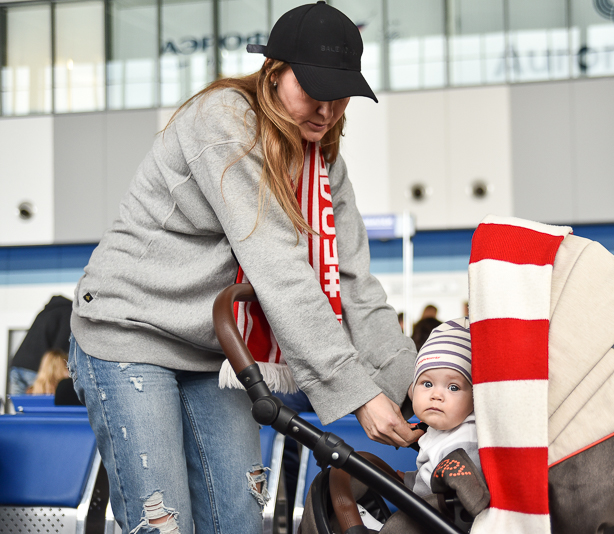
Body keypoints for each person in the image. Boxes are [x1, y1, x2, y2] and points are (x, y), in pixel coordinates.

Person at [67, 3, 420, 533]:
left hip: (215, 352)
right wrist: (359, 394)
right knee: (165, 523)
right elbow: (279, 269)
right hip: (131, 331)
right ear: (273, 72)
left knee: (240, 522)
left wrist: (416, 387)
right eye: (314, 90)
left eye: (341, 95)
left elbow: (356, 287)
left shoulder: (324, 164)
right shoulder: (227, 123)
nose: (326, 111)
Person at [404, 318, 481, 497]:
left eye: (453, 387)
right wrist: (409, 479)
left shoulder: (464, 444)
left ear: (474, 397)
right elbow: (430, 473)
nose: (436, 395)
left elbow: (445, 497)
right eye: (427, 384)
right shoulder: (441, 429)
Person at [8, 295, 72, 395]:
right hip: (35, 367)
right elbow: (59, 349)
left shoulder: (45, 311)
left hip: (16, 365)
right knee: (40, 401)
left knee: (20, 404)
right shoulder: (68, 312)